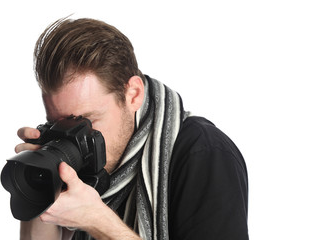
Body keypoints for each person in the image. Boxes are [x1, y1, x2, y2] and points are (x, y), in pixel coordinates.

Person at [15, 17, 249, 240]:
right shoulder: (78, 174)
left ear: (133, 95)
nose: (73, 139)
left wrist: (97, 220)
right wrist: (38, 182)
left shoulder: (204, 153)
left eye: (85, 123)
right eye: (58, 124)